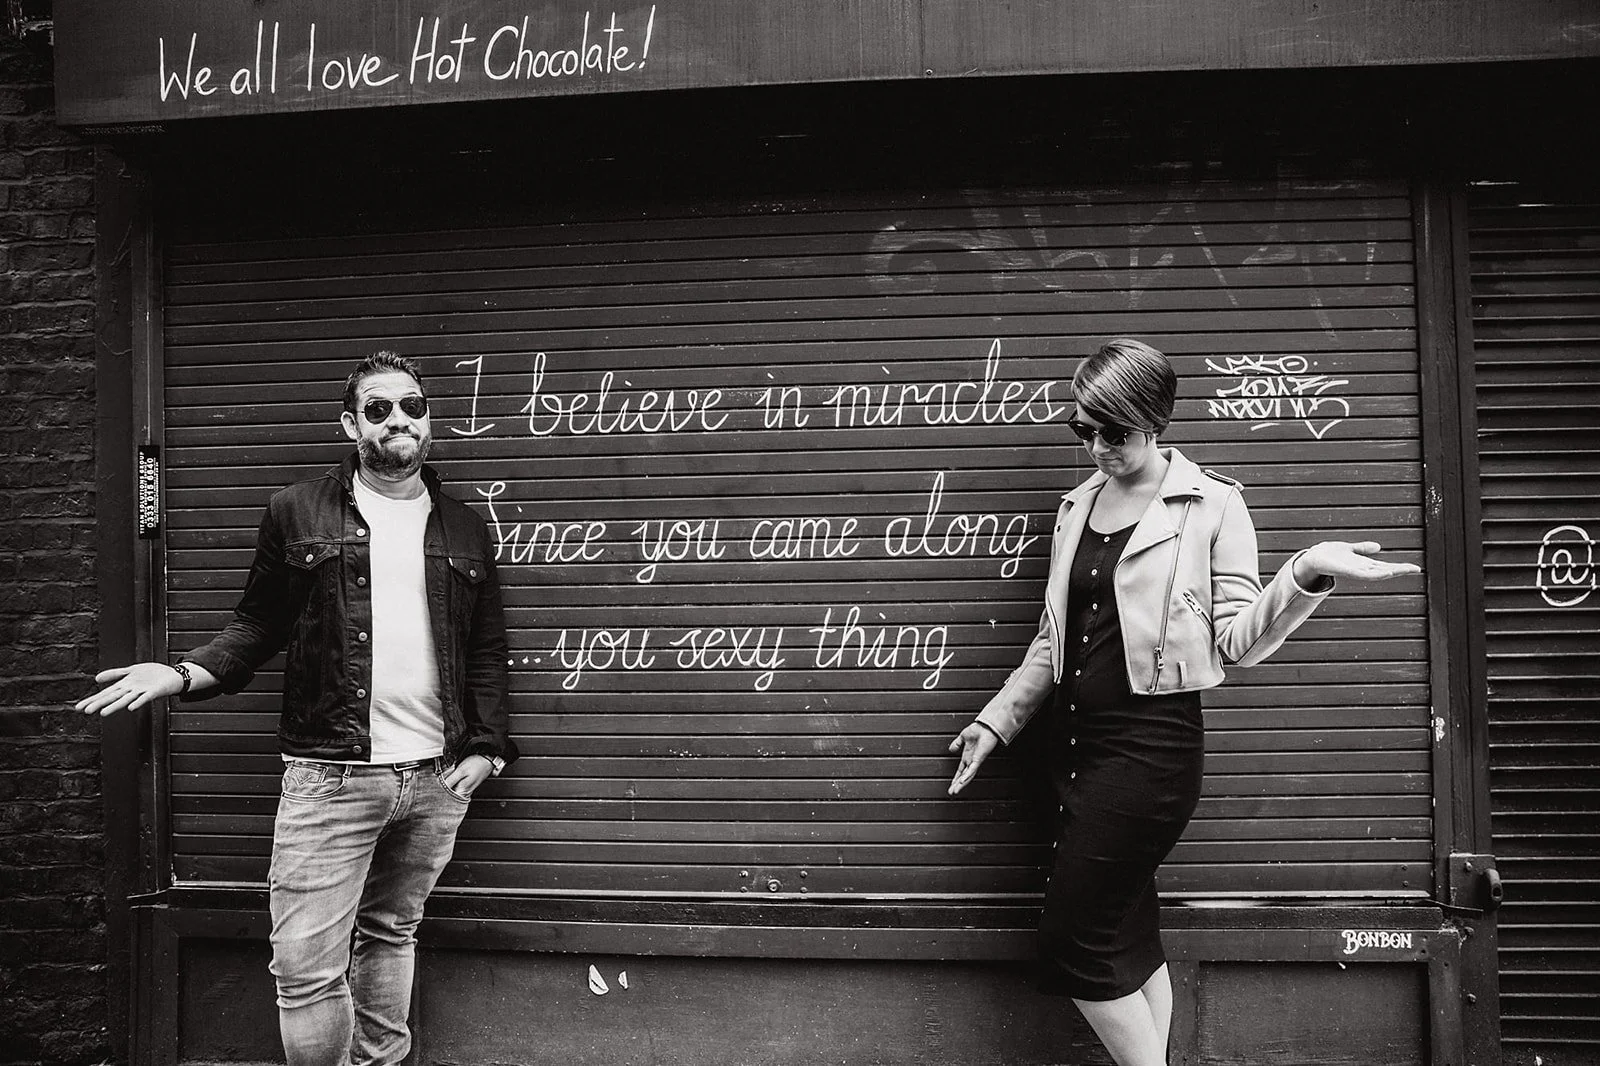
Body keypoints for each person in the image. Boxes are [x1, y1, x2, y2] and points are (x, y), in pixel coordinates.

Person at [946, 338, 1419, 1066]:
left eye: (1115, 433)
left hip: (1149, 751)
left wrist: (1306, 574)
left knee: (1071, 943)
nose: (1098, 447)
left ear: (1155, 420)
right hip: (1069, 748)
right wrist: (996, 723)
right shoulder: (1076, 507)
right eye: (1084, 430)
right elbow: (1053, 640)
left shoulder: (1212, 505)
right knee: (1127, 938)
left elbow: (1237, 643)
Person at [76, 351, 518, 1066]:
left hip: (436, 777)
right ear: (351, 424)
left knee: (391, 933)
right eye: (379, 409)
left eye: (412, 406)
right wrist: (185, 673)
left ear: (429, 421)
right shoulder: (297, 511)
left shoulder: (464, 527)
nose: (399, 419)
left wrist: (485, 747)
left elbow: (487, 647)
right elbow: (257, 625)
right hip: (331, 775)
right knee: (306, 971)